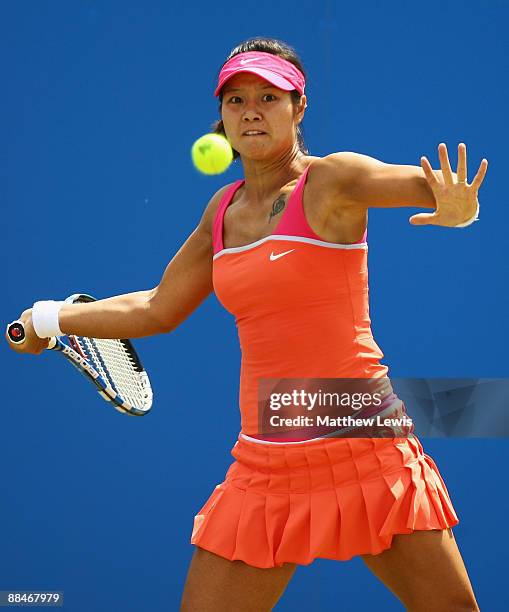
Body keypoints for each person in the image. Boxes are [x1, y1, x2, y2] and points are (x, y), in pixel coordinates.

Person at [7, 37, 487, 611]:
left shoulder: (332, 180)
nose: (251, 110)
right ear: (222, 117)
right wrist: (50, 316)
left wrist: (459, 208)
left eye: (268, 96)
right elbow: (158, 309)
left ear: (298, 107)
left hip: (361, 437)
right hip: (266, 458)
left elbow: (426, 186)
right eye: (236, 101)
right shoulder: (223, 211)